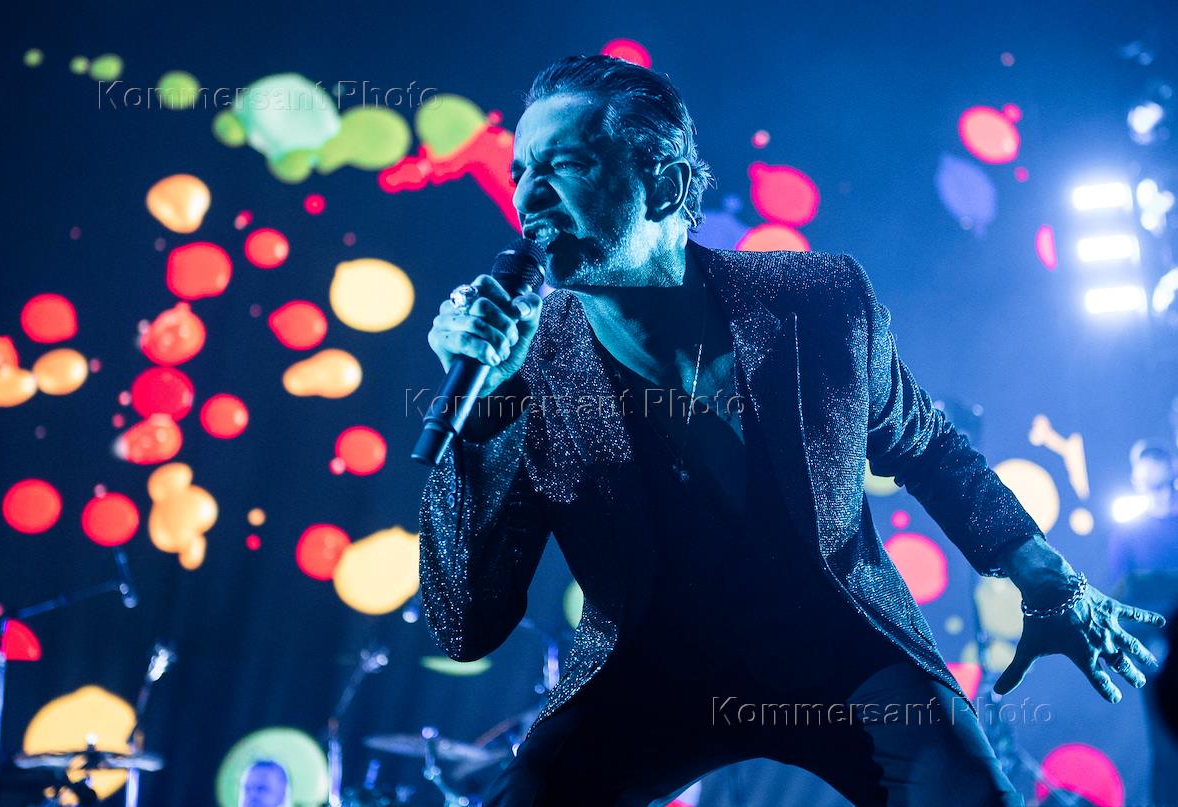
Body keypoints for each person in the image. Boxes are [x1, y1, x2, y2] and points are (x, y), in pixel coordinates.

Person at [418, 55, 1165, 806]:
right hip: (647, 670)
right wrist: (488, 408)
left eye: (567, 165)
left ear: (665, 186)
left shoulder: (817, 301)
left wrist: (1041, 570)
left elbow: (925, 445)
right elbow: (466, 626)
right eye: (521, 172)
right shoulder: (526, 368)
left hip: (844, 648)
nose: (529, 194)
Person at [1109, 441, 1178, 806]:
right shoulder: (1129, 533)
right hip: (1159, 656)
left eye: (1165, 483)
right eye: (1152, 485)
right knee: (1167, 752)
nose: (1160, 493)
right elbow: (1121, 600)